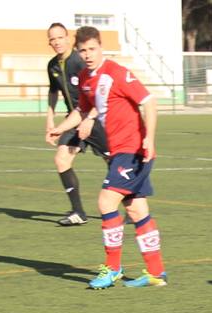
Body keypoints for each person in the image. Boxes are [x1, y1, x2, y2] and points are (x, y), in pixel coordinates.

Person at [47, 25, 168, 289]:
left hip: (133, 150)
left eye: (92, 49)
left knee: (105, 202)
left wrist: (149, 138)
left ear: (101, 47)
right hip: (119, 151)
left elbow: (148, 102)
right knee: (136, 209)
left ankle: (113, 269)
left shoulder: (117, 73)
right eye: (83, 51)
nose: (88, 55)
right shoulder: (86, 77)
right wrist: (60, 128)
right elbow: (82, 110)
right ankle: (156, 273)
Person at [44, 22, 110, 226]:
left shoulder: (80, 61)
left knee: (115, 163)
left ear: (67, 38)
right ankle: (78, 212)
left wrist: (90, 118)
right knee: (61, 160)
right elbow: (53, 91)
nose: (57, 42)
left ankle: (134, 206)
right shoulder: (53, 65)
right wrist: (50, 120)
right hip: (74, 119)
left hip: (96, 119)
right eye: (52, 39)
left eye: (60, 37)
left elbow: (98, 92)